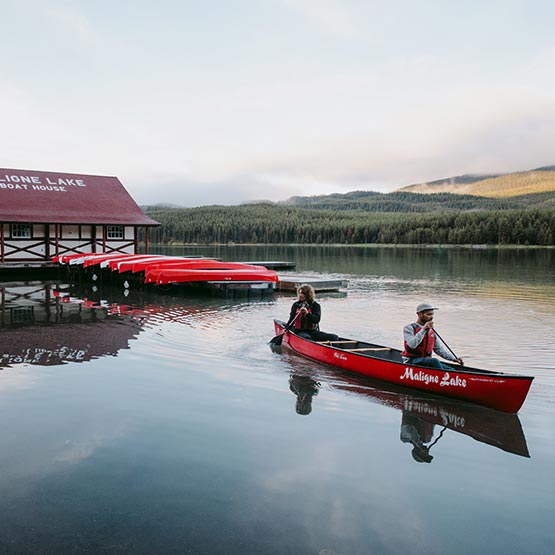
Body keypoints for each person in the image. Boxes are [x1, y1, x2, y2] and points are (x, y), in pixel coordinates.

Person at [402, 302, 464, 370]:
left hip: (426, 361)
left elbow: (439, 350)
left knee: (452, 370)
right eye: (428, 314)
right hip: (411, 361)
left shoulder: (431, 331)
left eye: (432, 314)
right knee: (434, 361)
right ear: (419, 314)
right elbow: (412, 345)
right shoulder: (409, 328)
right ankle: (443, 375)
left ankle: (450, 376)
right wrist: (424, 329)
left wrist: (454, 359)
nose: (431, 317)